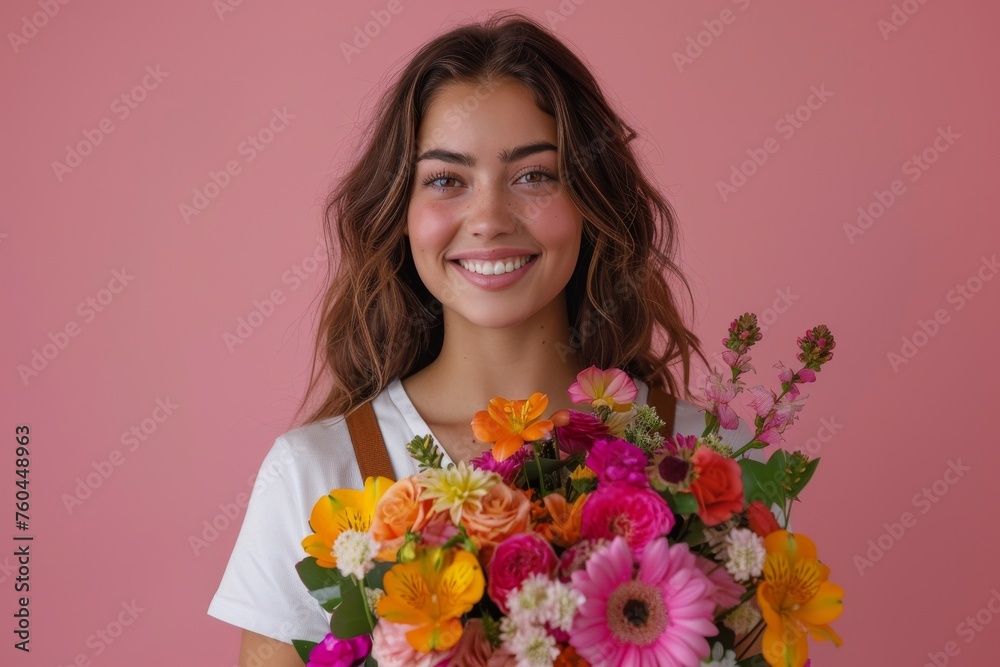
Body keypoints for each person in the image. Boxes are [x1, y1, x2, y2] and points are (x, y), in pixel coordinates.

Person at [207, 11, 761, 666]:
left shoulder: (705, 460)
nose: (490, 218)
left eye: (534, 175)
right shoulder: (313, 475)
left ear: (591, 197)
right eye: (447, 180)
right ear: (400, 211)